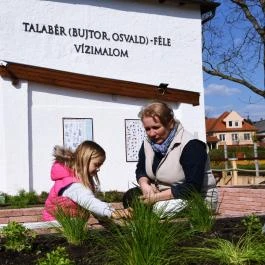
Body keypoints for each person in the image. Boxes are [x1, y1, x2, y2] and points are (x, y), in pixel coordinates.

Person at [123, 101, 218, 216]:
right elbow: (141, 169)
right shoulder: (147, 143)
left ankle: (139, 215)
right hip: (161, 194)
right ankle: (141, 213)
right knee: (130, 196)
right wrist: (144, 185)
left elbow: (192, 187)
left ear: (170, 123)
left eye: (156, 127)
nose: (151, 133)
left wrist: (155, 198)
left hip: (194, 198)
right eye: (147, 129)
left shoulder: (191, 145)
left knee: (158, 210)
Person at [43, 140, 130, 221]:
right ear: (85, 160)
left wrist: (109, 213)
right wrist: (112, 212)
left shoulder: (77, 179)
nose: (98, 169)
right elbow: (89, 202)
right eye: (96, 164)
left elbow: (92, 204)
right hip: (56, 224)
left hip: (70, 223)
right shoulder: (71, 184)